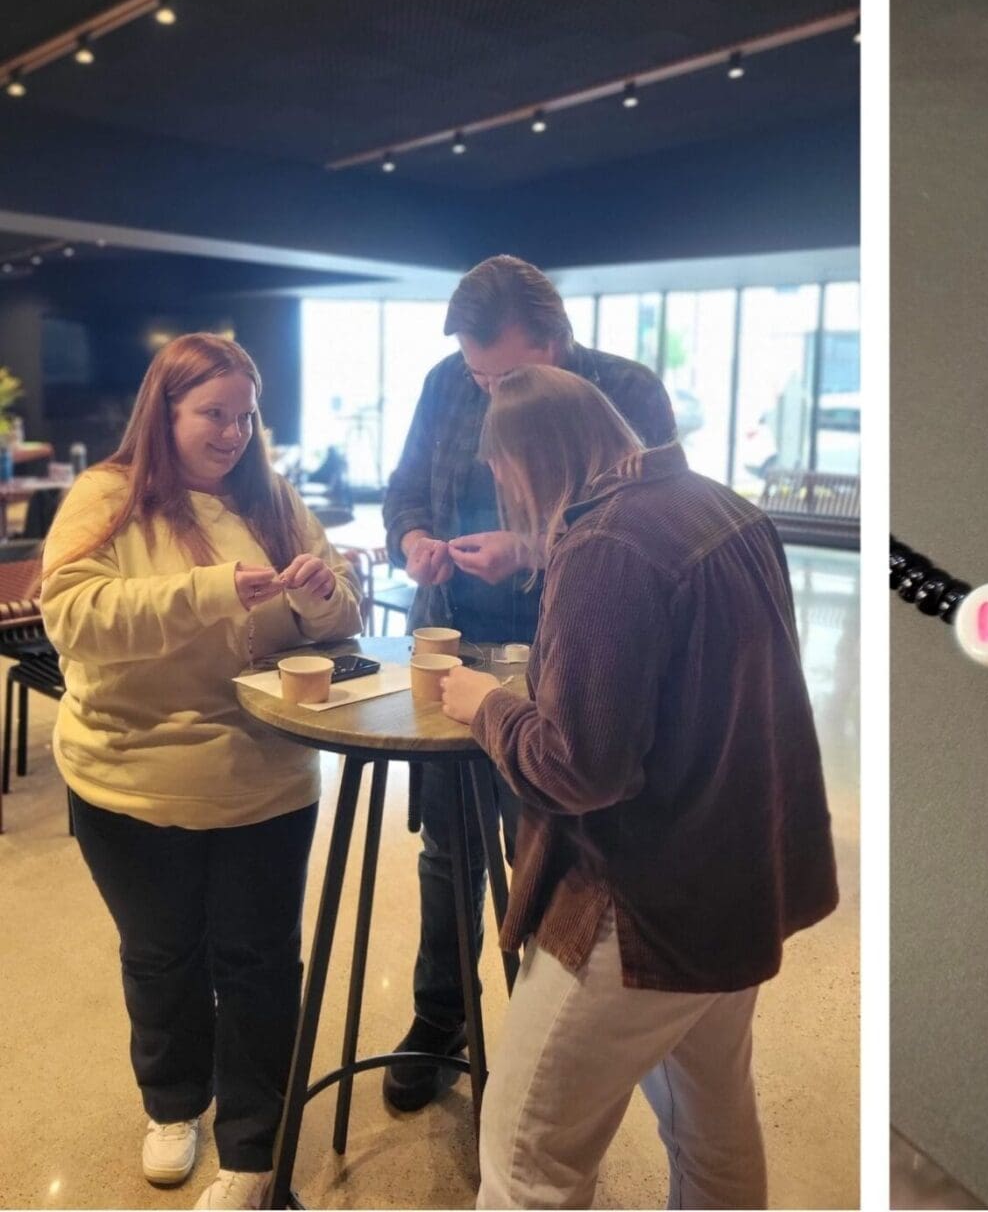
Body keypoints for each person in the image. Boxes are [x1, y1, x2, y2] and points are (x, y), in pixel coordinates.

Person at [436, 365, 838, 1209]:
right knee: (714, 1132)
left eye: (504, 477)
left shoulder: (607, 547)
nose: (506, 495)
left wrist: (488, 707)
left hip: (640, 905)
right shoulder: (722, 508)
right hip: (737, 882)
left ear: (531, 460)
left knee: (524, 1161)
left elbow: (579, 767)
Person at [40, 333, 363, 1211]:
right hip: (128, 777)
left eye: (245, 416)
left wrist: (319, 597)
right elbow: (72, 615)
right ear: (165, 412)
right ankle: (175, 1102)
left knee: (259, 963)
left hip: (264, 774)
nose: (232, 433)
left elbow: (341, 613)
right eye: (212, 414)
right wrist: (216, 588)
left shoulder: (274, 498)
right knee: (160, 954)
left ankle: (254, 1148)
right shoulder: (110, 495)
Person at [380, 255, 675, 1110]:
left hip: (569, 647)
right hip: (454, 642)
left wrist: (531, 548)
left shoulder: (627, 390)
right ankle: (440, 1015)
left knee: (550, 847)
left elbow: (647, 525)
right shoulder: (447, 383)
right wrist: (418, 543)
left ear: (556, 341)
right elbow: (404, 493)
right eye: (479, 375)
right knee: (448, 849)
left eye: (506, 374)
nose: (487, 388)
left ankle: (541, 1035)